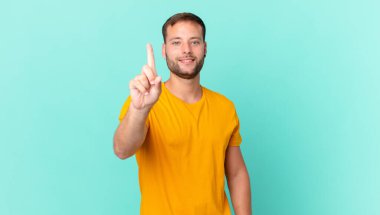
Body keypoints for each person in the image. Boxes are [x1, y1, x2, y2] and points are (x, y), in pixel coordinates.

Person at [113, 12, 252, 215]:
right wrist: (139, 109)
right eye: (176, 42)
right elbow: (122, 149)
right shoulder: (143, 102)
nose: (186, 50)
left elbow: (237, 173)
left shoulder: (225, 107)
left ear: (205, 48)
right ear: (164, 50)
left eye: (194, 42)